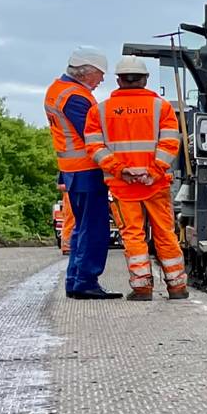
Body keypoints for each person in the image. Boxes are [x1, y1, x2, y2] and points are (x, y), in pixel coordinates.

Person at [83, 56, 188, 301]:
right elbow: (171, 143)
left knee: (132, 235)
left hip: (122, 186)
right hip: (157, 183)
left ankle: (142, 288)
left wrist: (121, 169)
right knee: (165, 233)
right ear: (145, 79)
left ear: (119, 80)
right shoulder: (161, 107)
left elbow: (94, 147)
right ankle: (177, 287)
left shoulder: (99, 110)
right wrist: (153, 170)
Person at [45, 47, 121, 299]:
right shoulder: (76, 97)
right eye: (99, 75)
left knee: (82, 227)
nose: (101, 80)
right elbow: (91, 134)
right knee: (94, 227)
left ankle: (75, 281)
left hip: (72, 170)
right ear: (85, 72)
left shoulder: (58, 89)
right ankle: (86, 281)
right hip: (87, 169)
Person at [57, 177, 75, 255]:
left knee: (70, 220)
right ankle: (67, 245)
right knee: (70, 220)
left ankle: (67, 245)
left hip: (71, 193)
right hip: (70, 194)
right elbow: (60, 185)